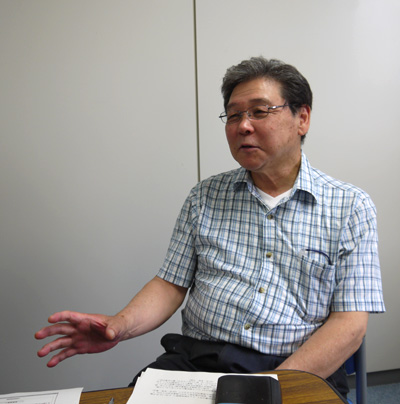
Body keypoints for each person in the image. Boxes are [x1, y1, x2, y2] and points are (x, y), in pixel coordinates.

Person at [35, 57, 385, 398]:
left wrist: (272, 387)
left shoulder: (349, 207)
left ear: (302, 118)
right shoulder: (205, 196)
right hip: (197, 362)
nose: (243, 126)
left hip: (296, 367)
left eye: (259, 111)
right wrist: (119, 325)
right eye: (233, 115)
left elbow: (350, 325)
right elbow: (170, 284)